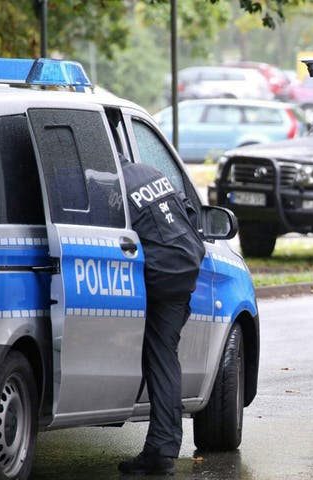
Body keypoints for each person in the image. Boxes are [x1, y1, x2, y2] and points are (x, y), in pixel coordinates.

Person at [118, 157, 206, 475]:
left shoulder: (112, 184)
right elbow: (191, 212)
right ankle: (161, 447)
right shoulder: (151, 172)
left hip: (162, 271)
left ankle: (161, 449)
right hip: (185, 263)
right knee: (162, 356)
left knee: (160, 358)